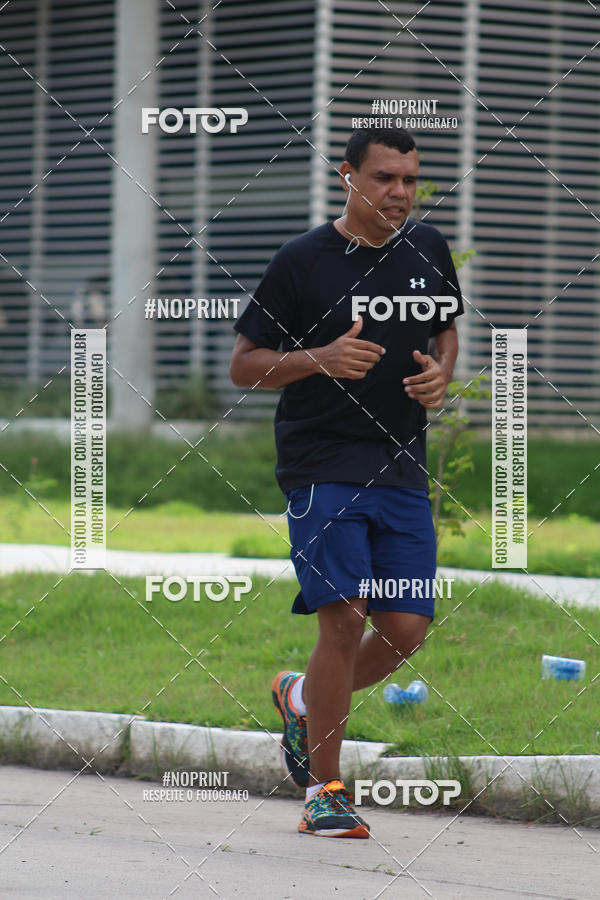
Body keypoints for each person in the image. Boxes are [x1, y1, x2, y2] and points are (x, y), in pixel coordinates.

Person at [229, 127, 463, 839]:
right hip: (322, 461)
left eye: (410, 180)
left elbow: (446, 325)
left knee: (405, 627)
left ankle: (302, 699)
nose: (399, 192)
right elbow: (244, 366)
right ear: (348, 178)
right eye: (386, 178)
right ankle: (325, 791)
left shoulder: (427, 249)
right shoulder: (301, 262)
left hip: (399, 461)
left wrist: (441, 372)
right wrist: (319, 357)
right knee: (344, 617)